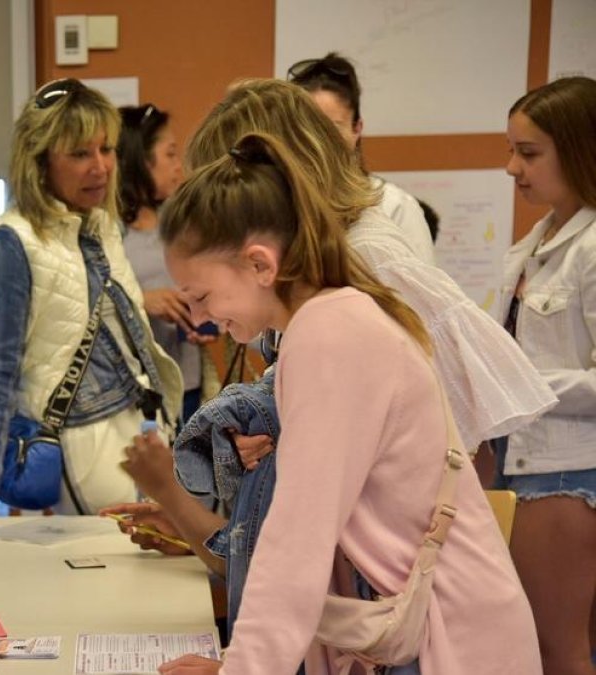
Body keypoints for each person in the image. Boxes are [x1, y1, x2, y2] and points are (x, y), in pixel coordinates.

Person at [105, 77, 555, 661]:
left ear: (260, 263)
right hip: (405, 624)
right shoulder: (324, 318)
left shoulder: (329, 330)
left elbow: (297, 547)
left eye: (203, 295)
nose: (202, 317)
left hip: (444, 636)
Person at [0, 79, 182, 521]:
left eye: (106, 149)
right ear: (40, 161)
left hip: (143, 426)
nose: (101, 167)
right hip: (81, 442)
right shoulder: (11, 244)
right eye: (79, 153)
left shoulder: (99, 224)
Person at [498, 75, 596, 675]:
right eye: (511, 150)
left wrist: (522, 379)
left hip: (566, 470)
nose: (513, 168)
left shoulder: (591, 248)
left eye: (529, 154)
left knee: (556, 651)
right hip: (528, 460)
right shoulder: (536, 242)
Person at [288, 52, 437, 264]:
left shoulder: (393, 206)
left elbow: (421, 293)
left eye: (332, 129)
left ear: (356, 128)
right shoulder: (279, 200)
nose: (318, 141)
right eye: (307, 128)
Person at [118, 103, 216, 422]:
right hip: (132, 390)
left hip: (187, 383)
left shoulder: (181, 219)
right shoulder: (108, 229)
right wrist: (142, 301)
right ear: (140, 161)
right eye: (170, 154)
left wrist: (210, 315)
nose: (179, 166)